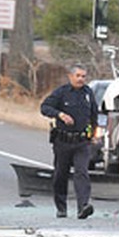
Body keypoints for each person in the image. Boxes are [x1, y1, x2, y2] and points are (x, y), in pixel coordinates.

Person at [40, 64, 98, 219]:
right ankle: (61, 207)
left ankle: (83, 206)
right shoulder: (61, 92)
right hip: (63, 141)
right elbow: (44, 107)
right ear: (70, 76)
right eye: (78, 76)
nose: (81, 79)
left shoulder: (88, 93)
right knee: (60, 174)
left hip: (82, 142)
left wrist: (93, 134)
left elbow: (94, 115)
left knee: (82, 172)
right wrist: (60, 115)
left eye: (83, 76)